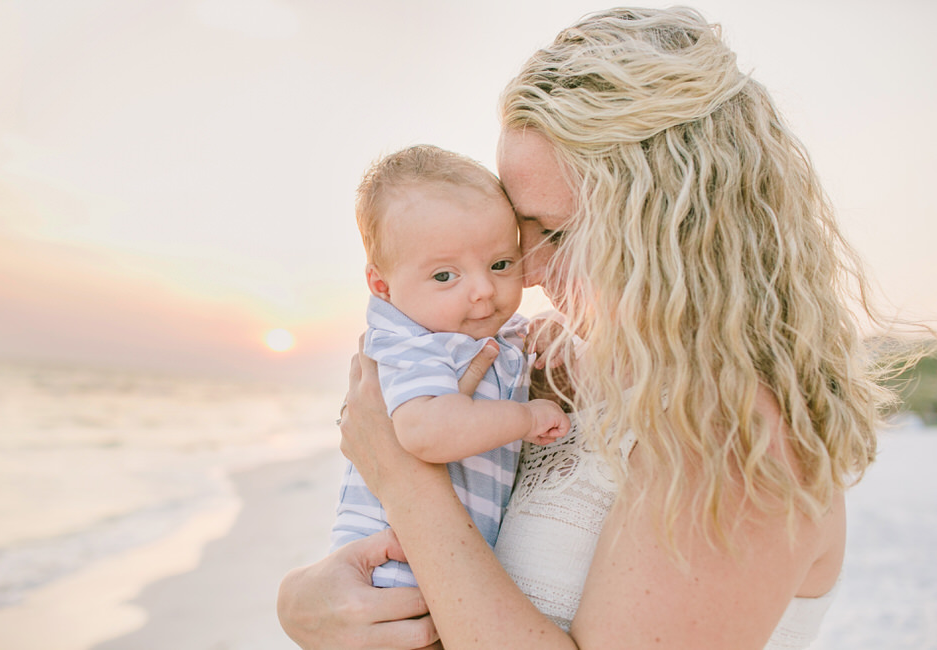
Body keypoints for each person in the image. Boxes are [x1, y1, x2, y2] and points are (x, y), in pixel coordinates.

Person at [279, 7, 932, 649]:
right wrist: (303, 605)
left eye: (558, 232)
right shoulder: (562, 374)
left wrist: (405, 479)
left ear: (670, 229)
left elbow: (427, 515)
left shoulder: (740, 437)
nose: (527, 273)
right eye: (519, 231)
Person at [330, 145, 571, 589]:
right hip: (393, 571)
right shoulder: (412, 343)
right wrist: (526, 417)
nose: (483, 290)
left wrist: (552, 328)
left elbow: (523, 341)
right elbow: (427, 431)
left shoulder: (479, 335)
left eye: (500, 265)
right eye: (445, 276)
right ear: (382, 286)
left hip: (445, 566)